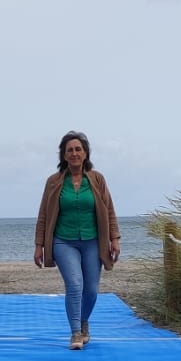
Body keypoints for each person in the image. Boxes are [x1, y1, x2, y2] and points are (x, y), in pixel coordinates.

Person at [33, 130, 120, 349]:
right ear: (63, 155)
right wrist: (39, 245)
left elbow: (109, 210)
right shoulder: (53, 182)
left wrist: (114, 239)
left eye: (78, 149)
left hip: (93, 241)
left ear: (85, 153)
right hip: (64, 241)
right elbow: (44, 213)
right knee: (74, 284)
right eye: (69, 150)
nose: (74, 153)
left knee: (91, 289)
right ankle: (75, 333)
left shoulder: (97, 179)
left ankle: (83, 322)